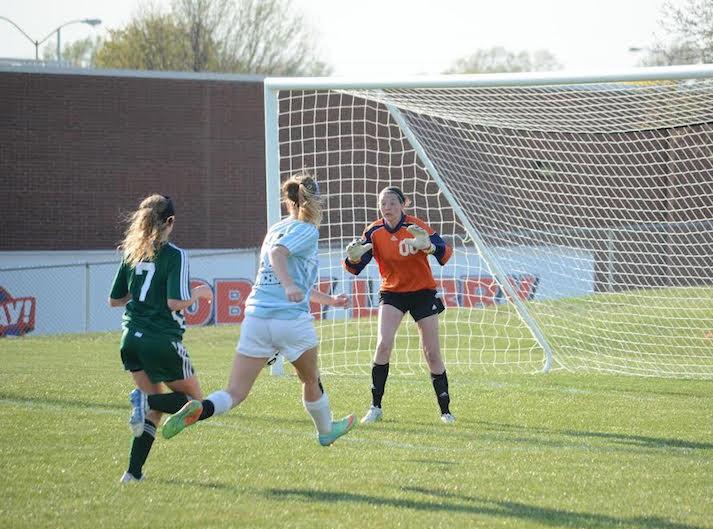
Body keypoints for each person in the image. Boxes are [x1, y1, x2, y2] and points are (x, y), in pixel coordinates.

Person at [161, 173, 356, 447]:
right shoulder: (307, 230)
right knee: (311, 379)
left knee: (235, 392)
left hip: (256, 317)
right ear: (316, 201)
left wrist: (330, 301)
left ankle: (201, 408)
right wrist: (289, 287)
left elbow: (291, 276)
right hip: (289, 320)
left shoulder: (276, 228)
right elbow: (279, 257)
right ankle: (326, 431)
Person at [109, 194, 213, 483]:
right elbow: (174, 302)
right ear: (170, 221)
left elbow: (115, 299)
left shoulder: (132, 252)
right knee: (195, 402)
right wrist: (200, 294)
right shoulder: (174, 254)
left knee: (154, 409)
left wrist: (142, 287)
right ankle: (144, 401)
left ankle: (132, 473)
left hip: (130, 339)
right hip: (160, 340)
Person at [343, 185, 456, 424]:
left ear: (403, 204)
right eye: (383, 203)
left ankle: (446, 411)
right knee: (383, 344)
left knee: (432, 352)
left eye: (393, 203)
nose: (387, 208)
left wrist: (429, 246)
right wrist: (351, 258)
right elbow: (355, 267)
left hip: (423, 292)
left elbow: (445, 254)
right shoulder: (373, 231)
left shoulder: (415, 226)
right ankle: (375, 407)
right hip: (392, 293)